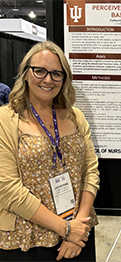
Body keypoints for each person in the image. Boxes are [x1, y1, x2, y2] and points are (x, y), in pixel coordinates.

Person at [0, 40, 100, 261]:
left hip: (77, 236)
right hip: (25, 239)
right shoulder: (5, 120)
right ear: (25, 73)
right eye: (40, 71)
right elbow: (7, 189)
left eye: (57, 73)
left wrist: (78, 227)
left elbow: (90, 171)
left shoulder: (75, 116)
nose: (48, 79)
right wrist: (65, 229)